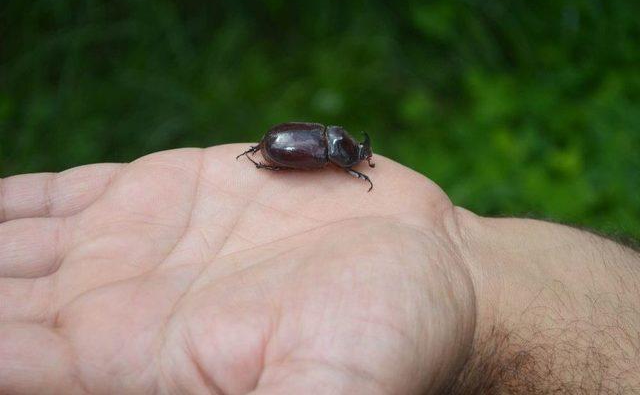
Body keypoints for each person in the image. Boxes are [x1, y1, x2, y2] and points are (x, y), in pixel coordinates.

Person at [0, 145, 638, 394]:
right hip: (280, 149)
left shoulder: (336, 156)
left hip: (280, 146)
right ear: (342, 154)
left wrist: (466, 273)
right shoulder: (327, 157)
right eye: (355, 156)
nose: (358, 159)